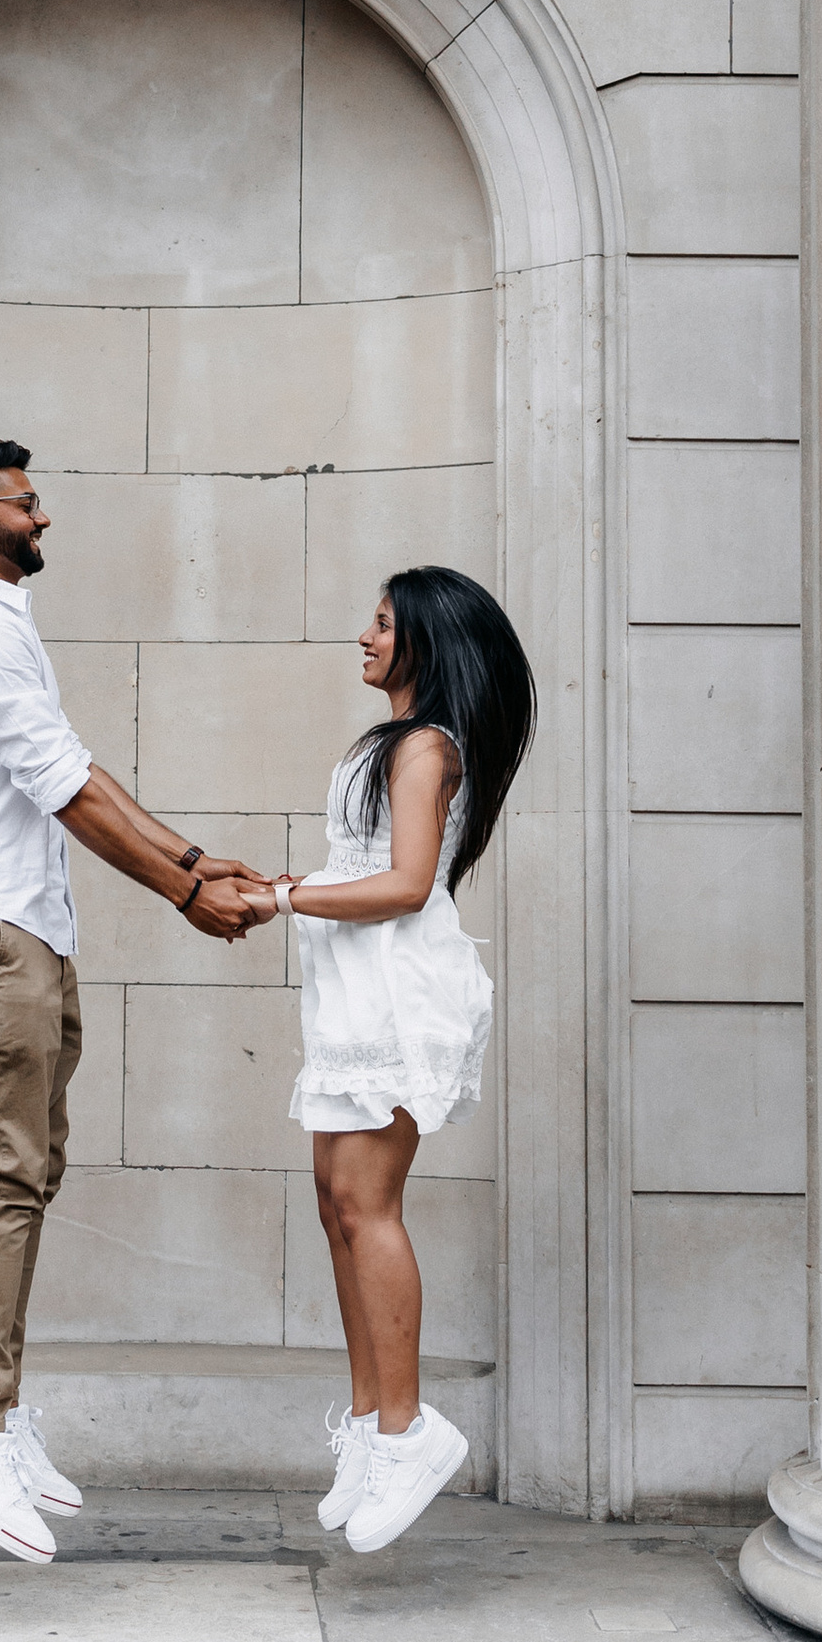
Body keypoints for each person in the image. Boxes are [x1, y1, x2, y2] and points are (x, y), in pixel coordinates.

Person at [0, 435, 278, 1563]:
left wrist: (195, 859)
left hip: (27, 929)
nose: (42, 518)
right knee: (5, 1176)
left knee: (31, 1172)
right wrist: (181, 892)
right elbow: (62, 787)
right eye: (26, 504)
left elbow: (76, 766)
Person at [269, 564, 536, 1558]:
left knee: (367, 1203)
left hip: (395, 991)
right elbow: (364, 869)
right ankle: (370, 1425)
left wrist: (285, 899)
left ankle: (408, 1428)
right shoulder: (396, 743)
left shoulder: (424, 747)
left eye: (381, 623)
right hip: (353, 988)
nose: (364, 638)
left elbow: (407, 884)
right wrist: (294, 887)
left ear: (425, 638)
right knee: (337, 1200)